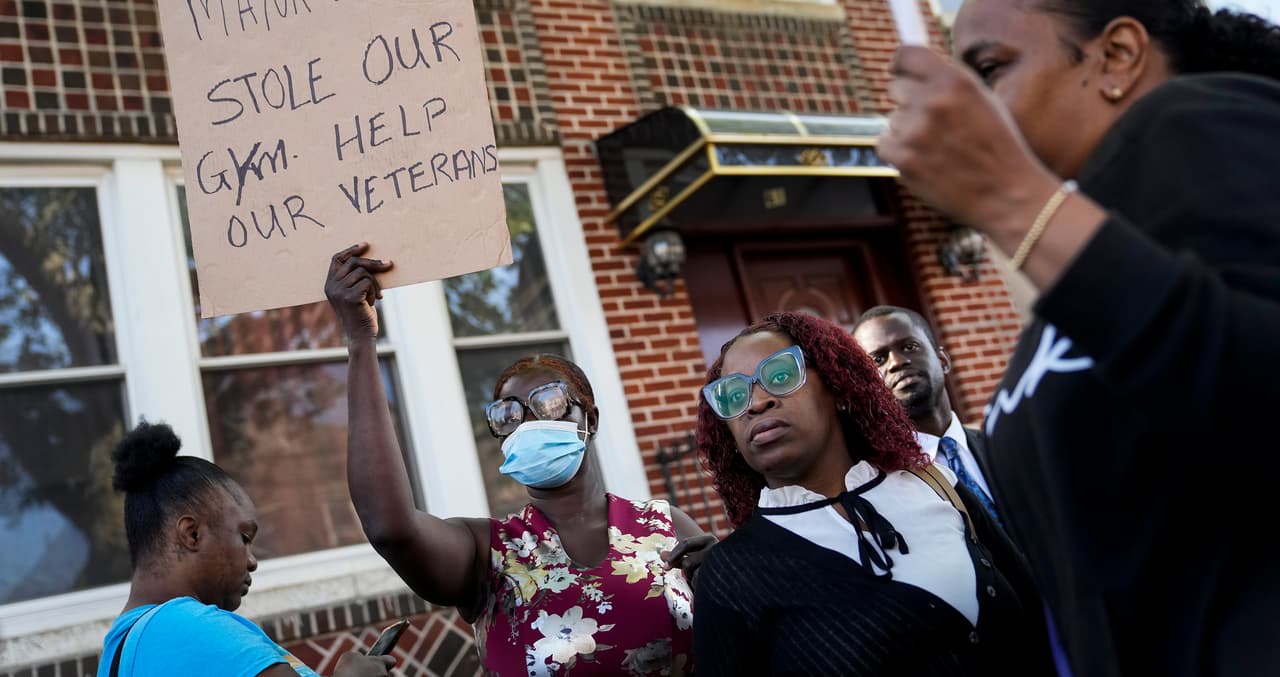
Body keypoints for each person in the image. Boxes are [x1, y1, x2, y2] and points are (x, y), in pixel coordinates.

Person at [881, 0, 1280, 676]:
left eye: (990, 69)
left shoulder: (1200, 121)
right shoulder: (1079, 270)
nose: (967, 103)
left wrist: (1010, 199)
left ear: (1117, 54)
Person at [324, 244, 712, 676]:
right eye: (507, 415)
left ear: (591, 419)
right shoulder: (486, 553)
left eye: (549, 403)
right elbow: (390, 526)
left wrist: (730, 581)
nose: (527, 423)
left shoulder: (666, 527)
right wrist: (360, 340)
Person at [690, 311, 1051, 675]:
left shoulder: (935, 484)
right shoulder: (732, 574)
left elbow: (1040, 618)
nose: (755, 402)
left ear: (837, 387)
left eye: (781, 375)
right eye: (732, 395)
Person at [99, 420, 393, 677]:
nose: (252, 562)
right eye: (244, 537)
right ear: (192, 534)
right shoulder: (190, 626)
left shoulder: (119, 651)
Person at [852, 305, 998, 519]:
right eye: (878, 360)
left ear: (943, 360)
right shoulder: (878, 484)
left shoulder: (999, 445)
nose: (897, 362)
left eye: (910, 347)